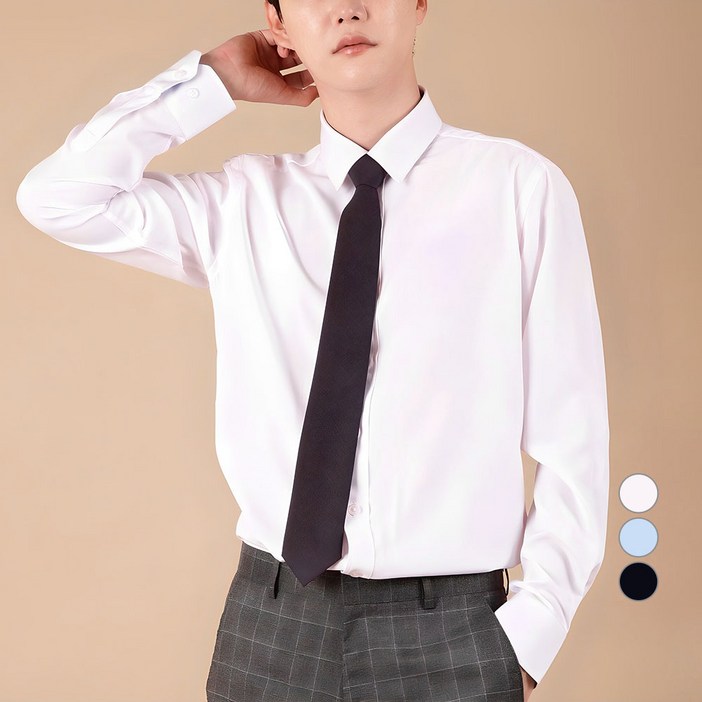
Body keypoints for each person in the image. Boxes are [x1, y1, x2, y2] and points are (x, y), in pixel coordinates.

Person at [16, 0, 609, 700]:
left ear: (419, 4)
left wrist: (530, 636)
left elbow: (573, 436)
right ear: (278, 24)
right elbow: (59, 198)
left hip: (454, 630)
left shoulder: (518, 188)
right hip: (272, 627)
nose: (348, 9)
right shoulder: (242, 204)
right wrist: (213, 81)